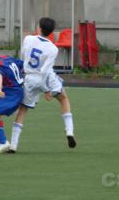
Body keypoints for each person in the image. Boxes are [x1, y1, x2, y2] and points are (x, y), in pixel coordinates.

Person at [10, 17, 76, 153]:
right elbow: (45, 70)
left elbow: (23, 56)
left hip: (29, 78)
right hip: (46, 78)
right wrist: (46, 90)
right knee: (63, 99)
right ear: (51, 32)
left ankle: (13, 145)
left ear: (39, 28)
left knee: (22, 110)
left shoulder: (28, 39)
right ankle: (69, 131)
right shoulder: (53, 48)